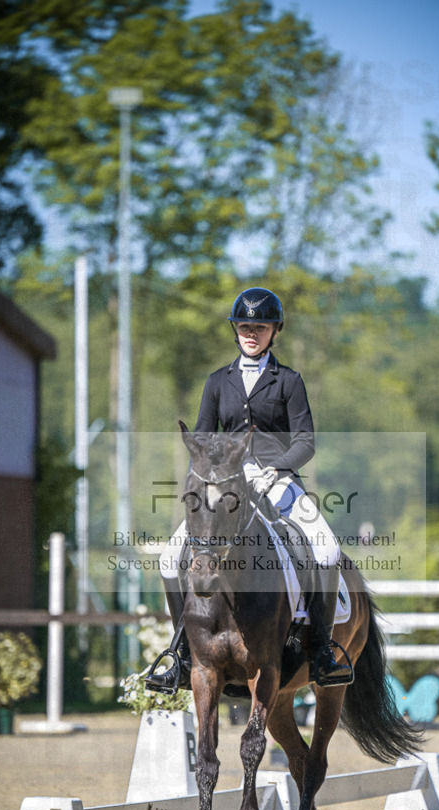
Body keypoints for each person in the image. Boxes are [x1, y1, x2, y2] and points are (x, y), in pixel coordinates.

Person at [146, 286, 350, 690]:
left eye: (260, 327)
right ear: (235, 330)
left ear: (275, 331)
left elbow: (306, 441)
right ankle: (182, 654)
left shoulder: (288, 381)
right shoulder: (217, 381)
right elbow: (202, 439)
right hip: (226, 483)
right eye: (244, 326)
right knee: (170, 557)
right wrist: (210, 476)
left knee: (326, 550)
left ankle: (322, 651)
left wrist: (277, 469)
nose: (251, 333)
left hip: (278, 480)